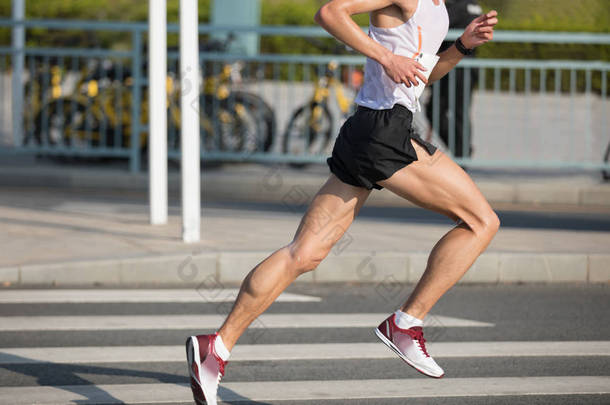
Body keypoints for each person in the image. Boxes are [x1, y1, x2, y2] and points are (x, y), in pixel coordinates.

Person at [186, 1, 499, 403]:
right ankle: (406, 323)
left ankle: (217, 347)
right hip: (384, 132)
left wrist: (462, 47)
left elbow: (420, 76)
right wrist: (385, 56)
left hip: (370, 130)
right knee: (481, 222)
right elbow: (330, 12)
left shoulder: (437, 7)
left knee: (305, 253)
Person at [424, 0, 482, 161]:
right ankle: (461, 151)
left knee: (455, 112)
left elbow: (434, 25)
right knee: (442, 111)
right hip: (453, 68)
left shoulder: (458, 6)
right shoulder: (471, 4)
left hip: (455, 68)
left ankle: (462, 154)